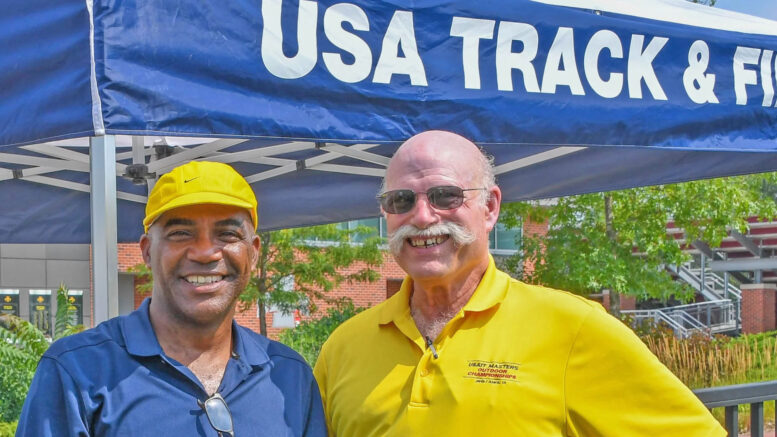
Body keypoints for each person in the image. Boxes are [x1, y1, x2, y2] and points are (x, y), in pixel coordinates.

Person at [313, 130, 725, 437]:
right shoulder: (343, 348)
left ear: (490, 206)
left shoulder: (572, 328)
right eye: (401, 200)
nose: (422, 216)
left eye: (445, 196)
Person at [17, 161, 326, 437]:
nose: (205, 252)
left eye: (228, 234)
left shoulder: (289, 376)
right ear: (147, 251)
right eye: (181, 233)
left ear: (254, 252)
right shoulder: (76, 371)